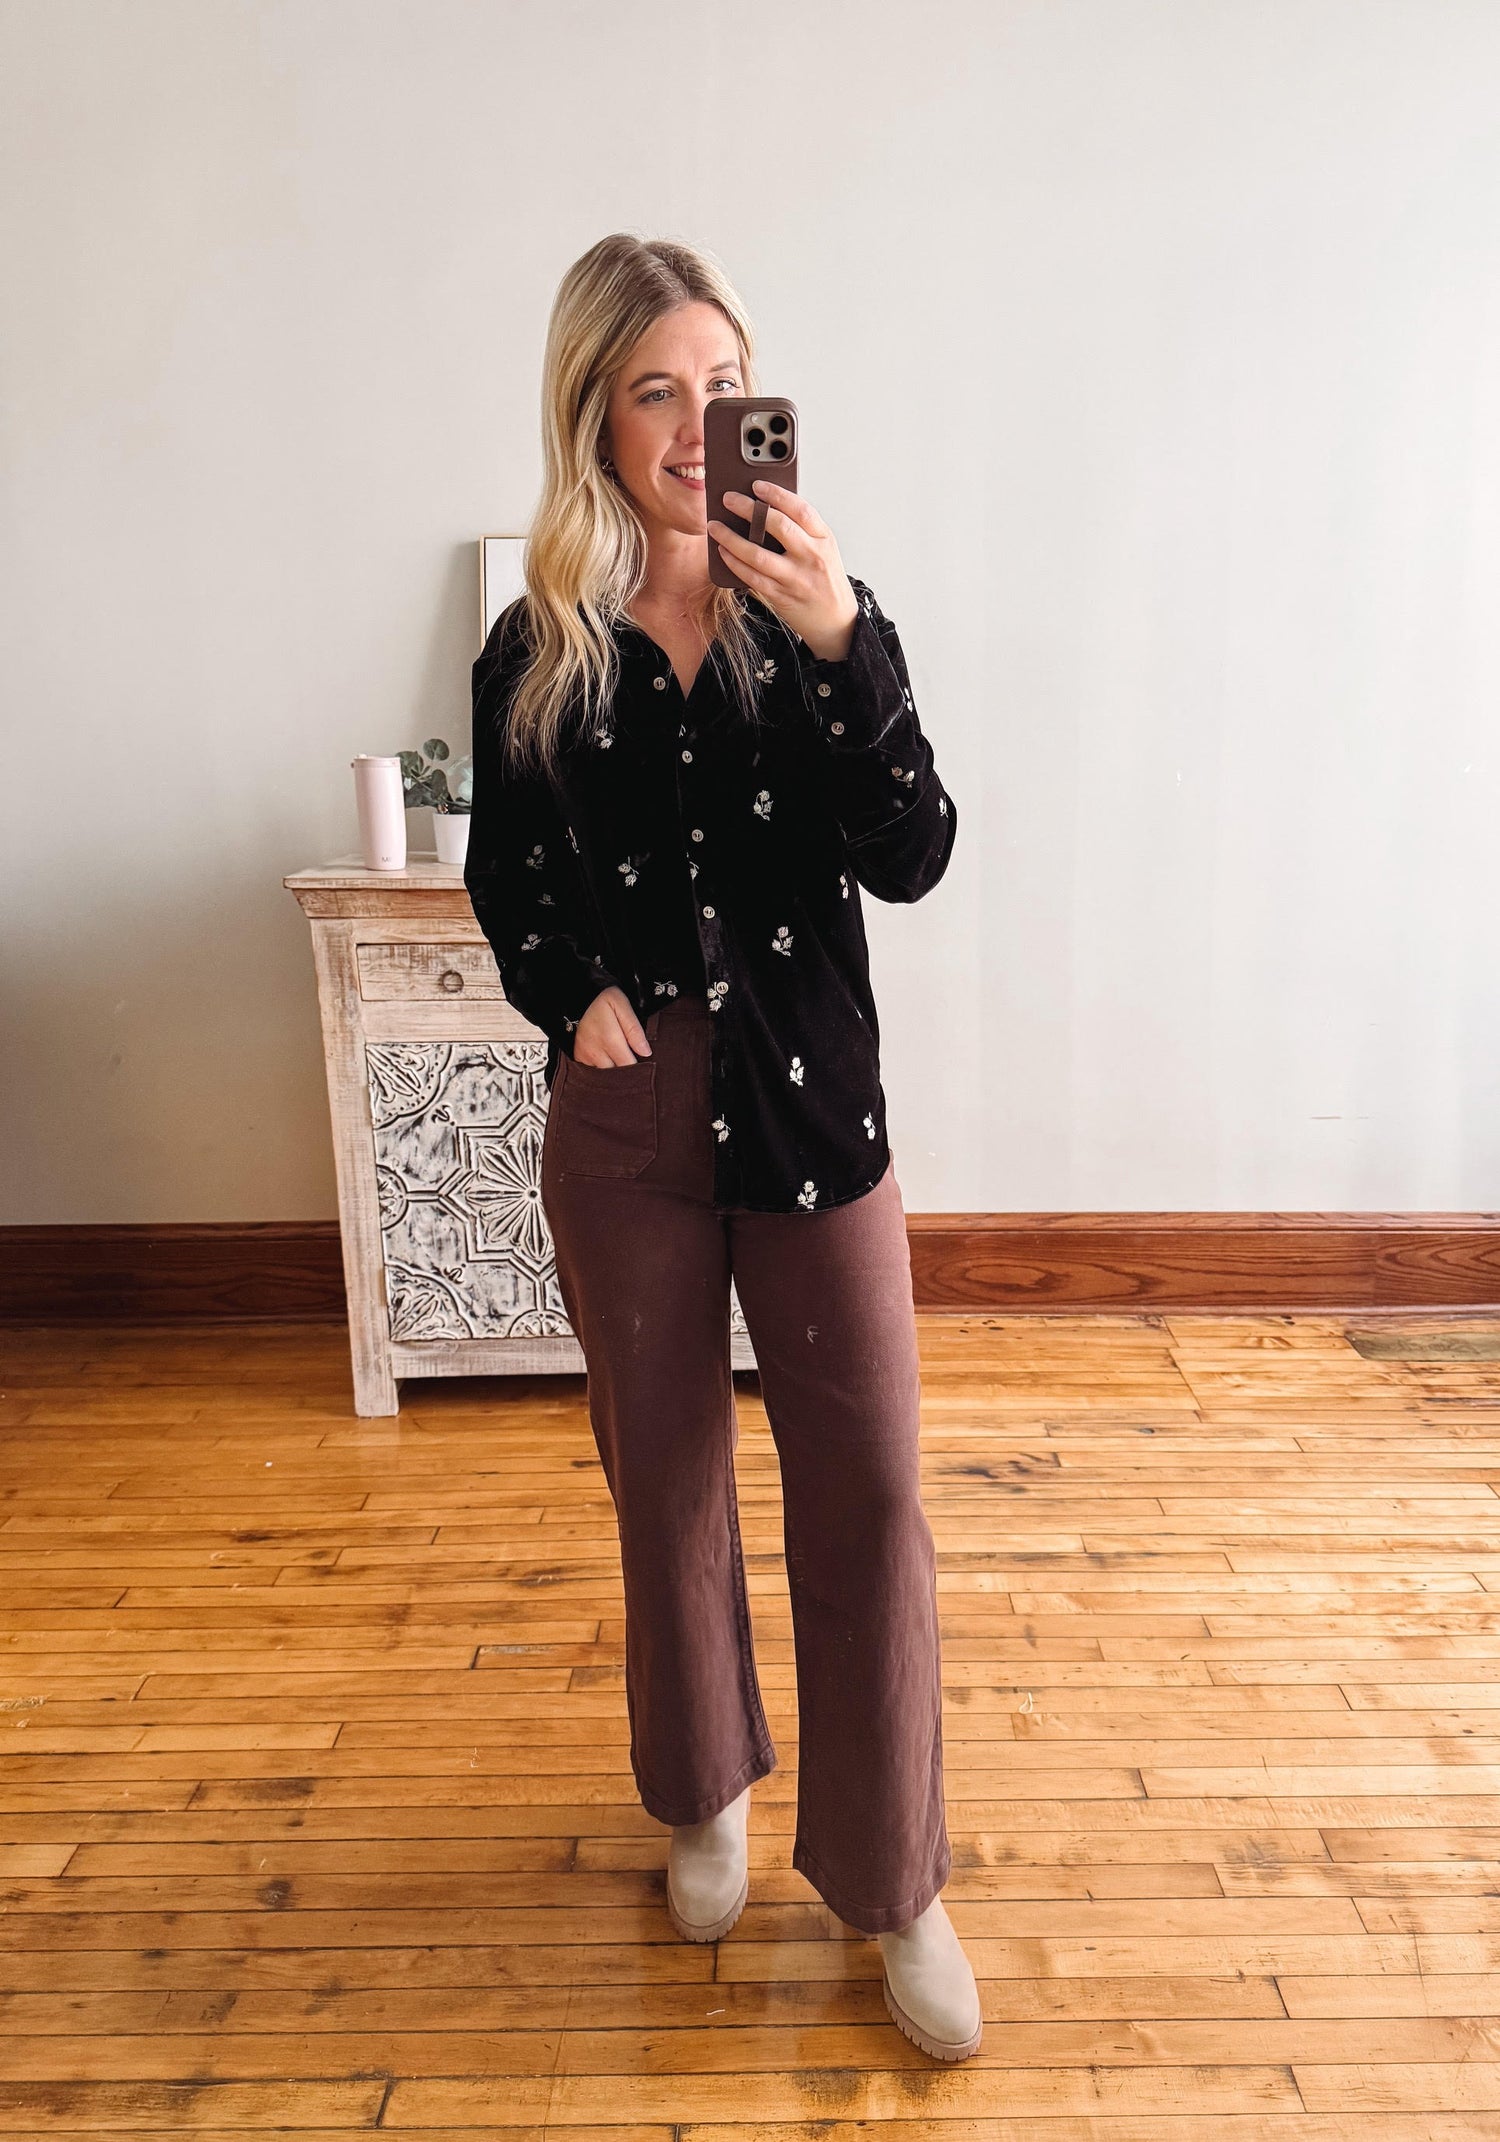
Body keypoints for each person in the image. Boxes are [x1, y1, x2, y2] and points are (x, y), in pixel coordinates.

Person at [464, 233, 980, 2062]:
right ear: (596, 420)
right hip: (628, 1120)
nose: (696, 427)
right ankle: (705, 1790)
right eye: (654, 391)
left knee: (873, 1492)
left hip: (813, 1106)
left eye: (723, 384)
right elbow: (507, 876)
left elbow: (911, 849)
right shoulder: (540, 647)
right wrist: (566, 994)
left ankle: (894, 1873)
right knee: (663, 1476)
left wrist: (847, 642)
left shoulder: (824, 616)